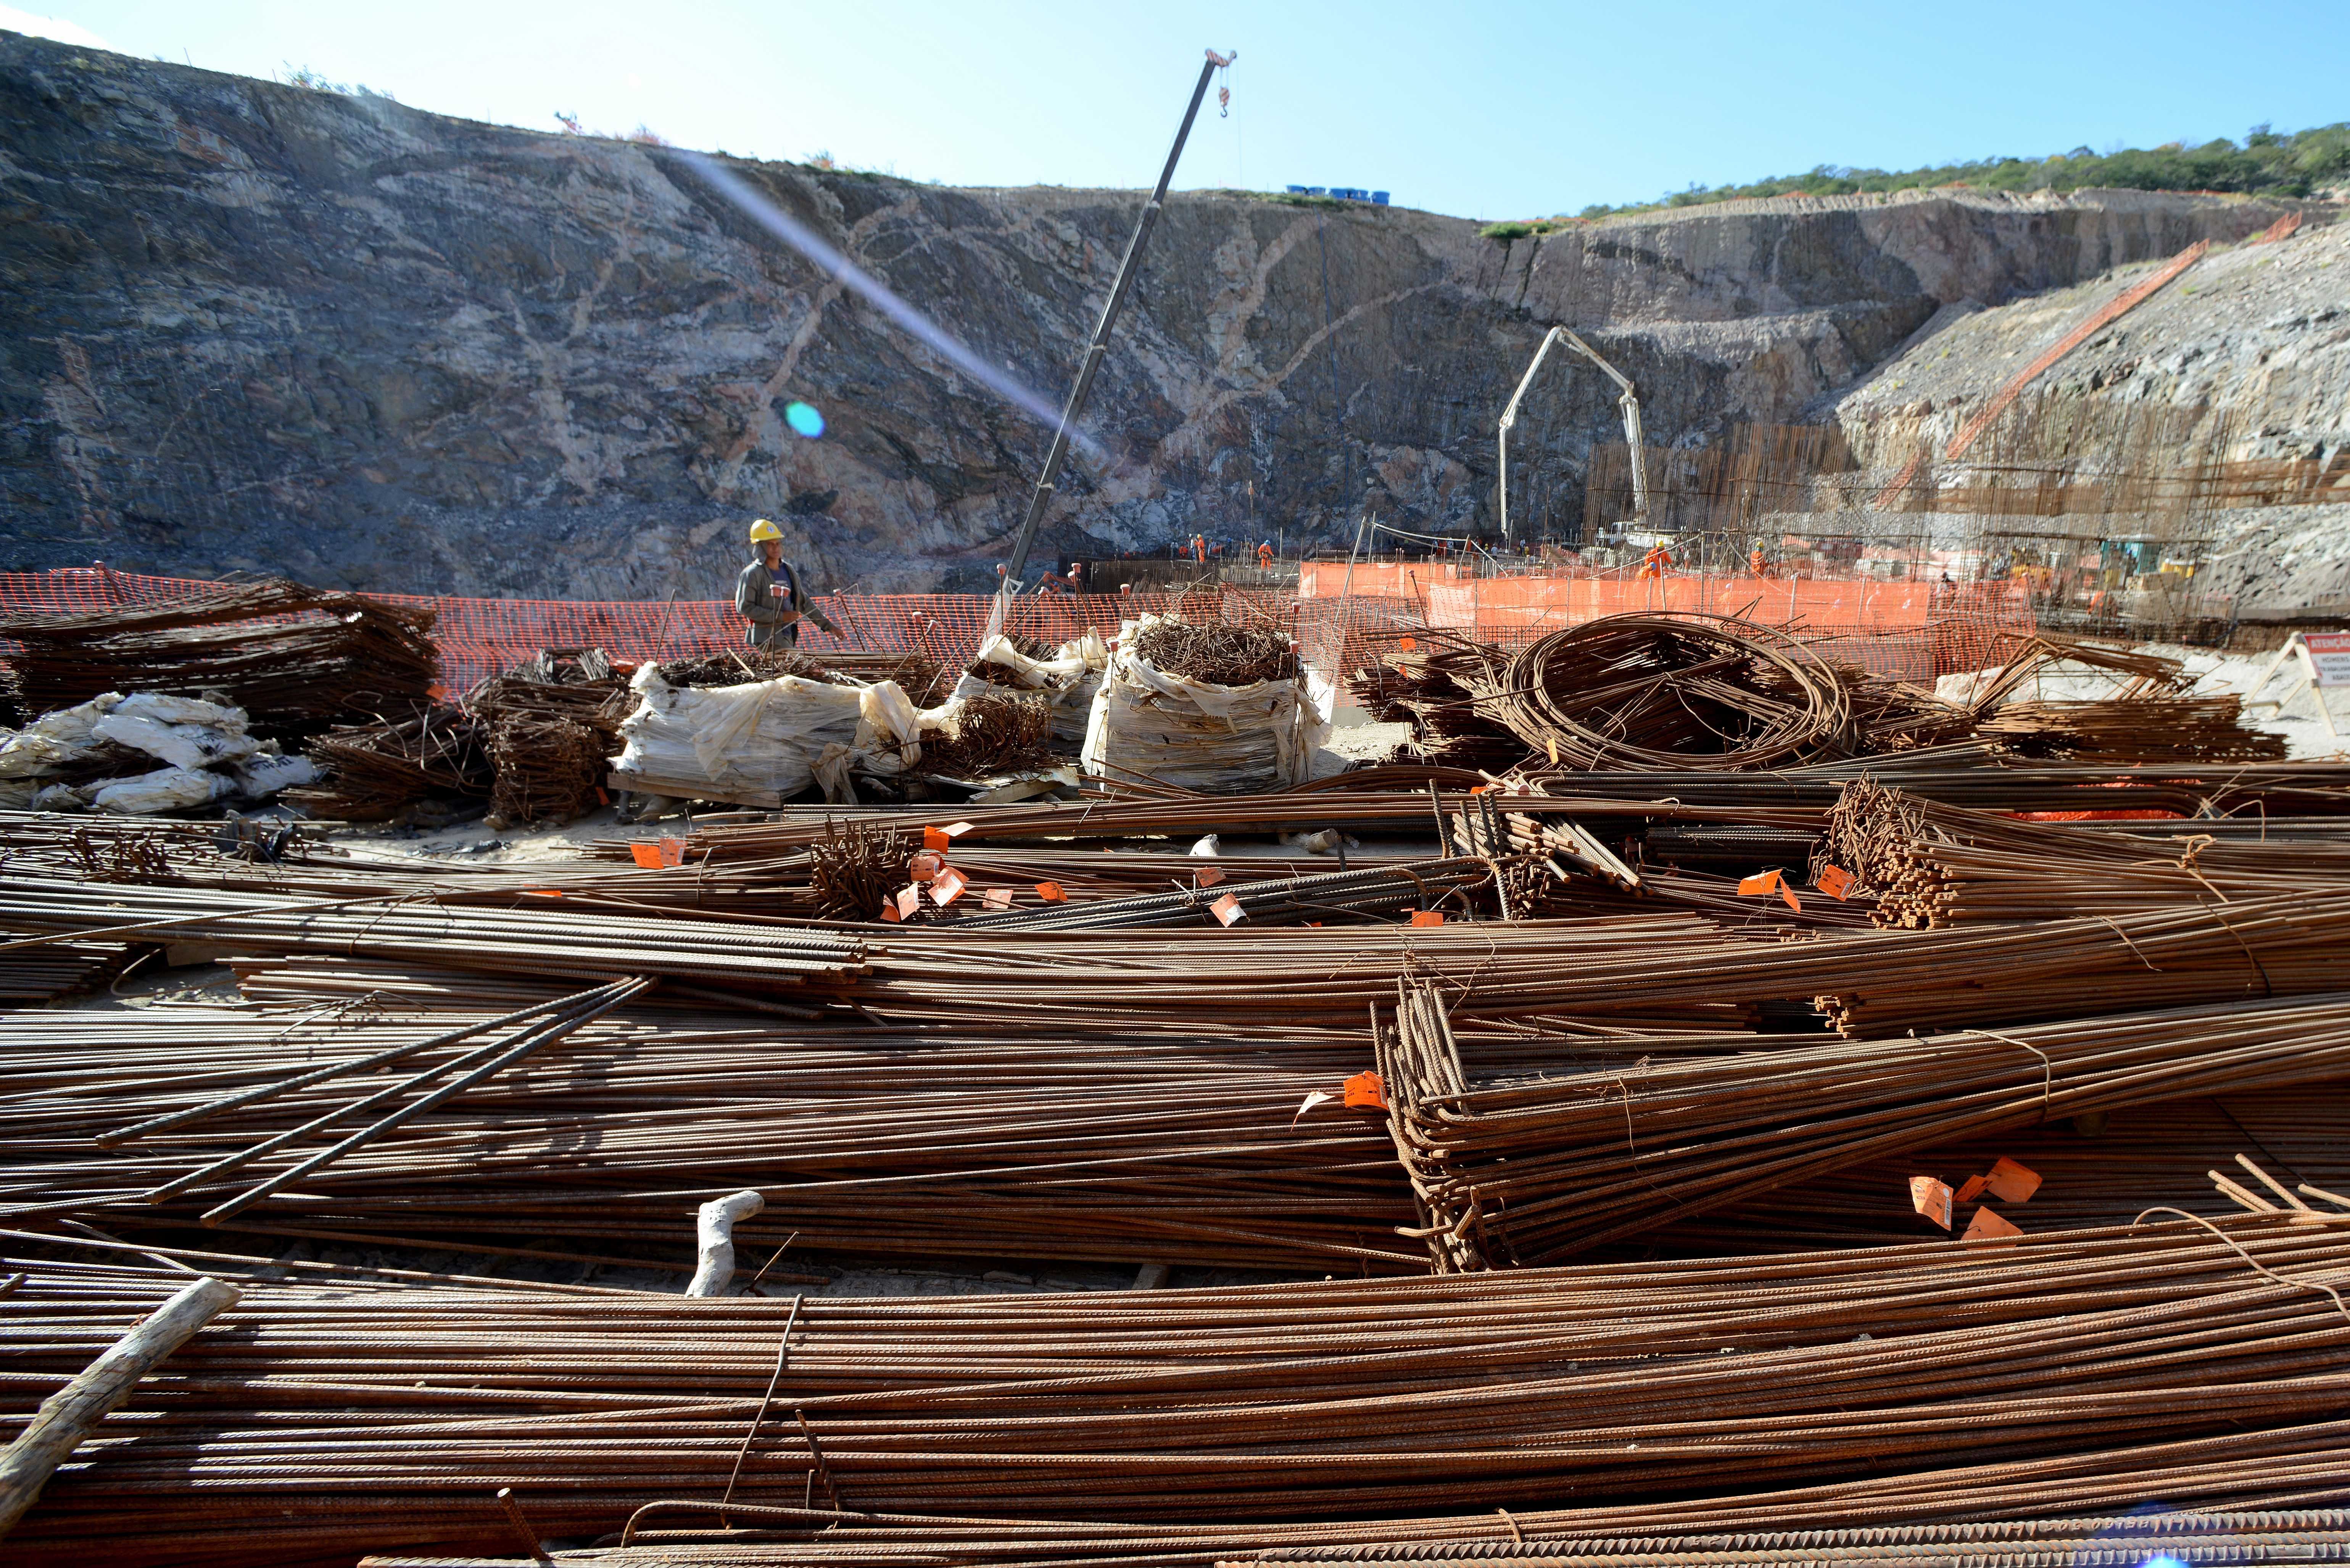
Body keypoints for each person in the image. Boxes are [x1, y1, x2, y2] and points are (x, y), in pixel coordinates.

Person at [734, 519, 839, 648]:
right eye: (770, 544)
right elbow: (745, 607)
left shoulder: (788, 570)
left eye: (778, 543)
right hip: (768, 639)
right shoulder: (752, 574)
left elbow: (804, 602)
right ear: (760, 547)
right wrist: (781, 617)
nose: (776, 548)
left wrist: (829, 627)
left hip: (789, 635)